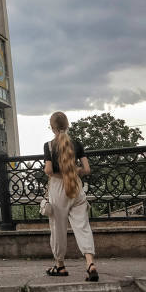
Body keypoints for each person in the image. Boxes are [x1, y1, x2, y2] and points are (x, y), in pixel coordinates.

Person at [43, 111, 98, 281]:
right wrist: (73, 171)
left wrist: (60, 173)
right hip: (76, 186)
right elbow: (87, 169)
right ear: (67, 125)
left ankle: (59, 265)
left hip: (59, 188)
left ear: (53, 128)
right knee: (82, 226)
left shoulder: (49, 145)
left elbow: (49, 170)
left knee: (57, 228)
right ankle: (90, 263)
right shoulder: (77, 144)